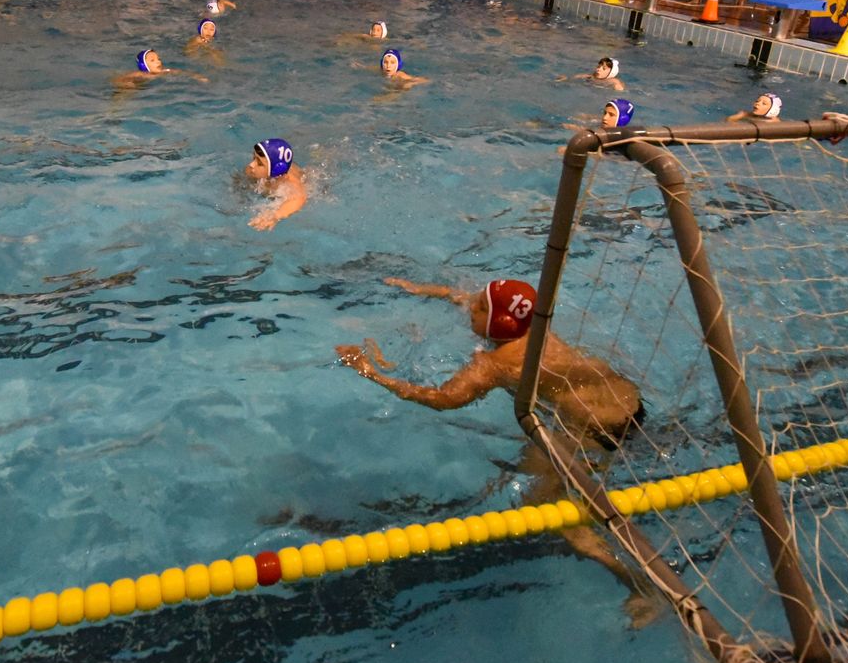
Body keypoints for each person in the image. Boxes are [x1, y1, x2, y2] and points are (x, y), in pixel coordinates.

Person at [334, 277, 657, 626]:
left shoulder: (496, 363)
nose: (471, 306)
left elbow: (443, 400)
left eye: (480, 307)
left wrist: (371, 373)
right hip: (629, 404)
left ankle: (638, 583)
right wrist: (423, 289)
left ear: (500, 323)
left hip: (589, 433)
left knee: (545, 508)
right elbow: (463, 296)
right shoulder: (538, 326)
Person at [244, 138, 307, 230]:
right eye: (254, 158)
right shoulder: (251, 170)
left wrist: (274, 216)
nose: (251, 165)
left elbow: (298, 199)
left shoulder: (289, 184)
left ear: (277, 170)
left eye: (259, 163)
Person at [113, 50, 209, 91]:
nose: (158, 62)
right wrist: (126, 84)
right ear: (143, 65)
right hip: (131, 86)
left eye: (158, 59)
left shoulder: (164, 71)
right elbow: (119, 79)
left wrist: (197, 76)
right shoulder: (139, 74)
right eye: (152, 60)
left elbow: (180, 72)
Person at [557, 56, 624, 92]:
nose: (598, 69)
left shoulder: (612, 80)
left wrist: (618, 87)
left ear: (611, 73)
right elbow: (579, 76)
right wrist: (567, 78)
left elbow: (619, 86)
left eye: (604, 68)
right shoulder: (591, 76)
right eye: (598, 66)